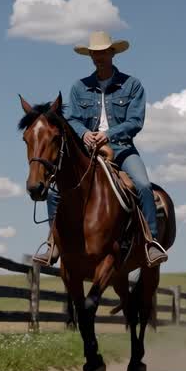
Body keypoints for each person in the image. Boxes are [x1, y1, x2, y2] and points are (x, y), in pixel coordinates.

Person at [32, 30, 168, 267]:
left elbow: (135, 121)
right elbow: (71, 118)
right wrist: (85, 134)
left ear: (112, 53)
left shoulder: (132, 85)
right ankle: (53, 242)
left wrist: (106, 135)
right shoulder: (79, 87)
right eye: (94, 53)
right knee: (54, 191)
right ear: (90, 56)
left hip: (122, 147)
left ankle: (151, 242)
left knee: (143, 185)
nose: (98, 57)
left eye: (103, 52)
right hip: (86, 148)